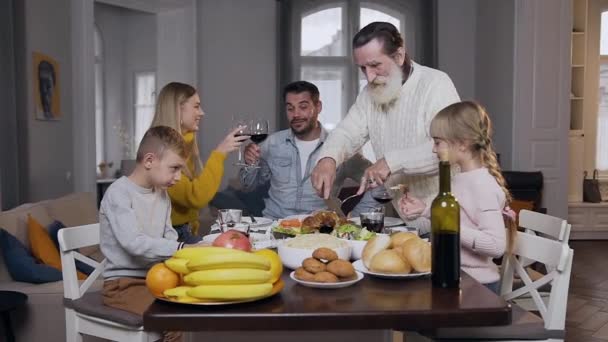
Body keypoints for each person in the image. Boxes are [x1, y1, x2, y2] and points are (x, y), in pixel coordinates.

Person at [310, 22, 460, 234]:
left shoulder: (435, 84)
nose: (369, 77)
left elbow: (449, 150)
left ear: (399, 56)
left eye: (375, 65)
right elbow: (347, 132)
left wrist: (390, 162)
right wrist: (328, 159)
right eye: (363, 68)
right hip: (408, 223)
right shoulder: (369, 94)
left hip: (447, 220)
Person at [398, 101, 517, 293]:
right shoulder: (462, 178)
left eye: (438, 142)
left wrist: (446, 227)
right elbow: (460, 218)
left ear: (462, 144)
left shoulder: (482, 185)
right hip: (458, 277)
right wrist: (425, 210)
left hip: (477, 286)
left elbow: (495, 245)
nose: (433, 150)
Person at [100, 126, 192, 341]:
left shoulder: (162, 195)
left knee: (193, 303)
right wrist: (181, 247)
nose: (178, 177)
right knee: (173, 318)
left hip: (156, 279)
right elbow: (134, 243)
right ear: (149, 161)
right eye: (174, 168)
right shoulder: (119, 193)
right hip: (122, 285)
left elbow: (169, 238)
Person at [240, 81, 377, 219]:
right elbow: (248, 186)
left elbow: (379, 182)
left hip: (318, 230)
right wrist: (250, 163)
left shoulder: (340, 147)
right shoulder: (272, 143)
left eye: (303, 107)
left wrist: (359, 215)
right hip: (275, 226)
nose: (296, 114)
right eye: (290, 108)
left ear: (318, 107)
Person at [150, 82, 249, 242]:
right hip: (170, 237)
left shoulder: (185, 144)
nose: (201, 113)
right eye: (196, 106)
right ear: (178, 109)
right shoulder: (163, 150)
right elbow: (195, 197)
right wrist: (220, 153)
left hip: (184, 230)